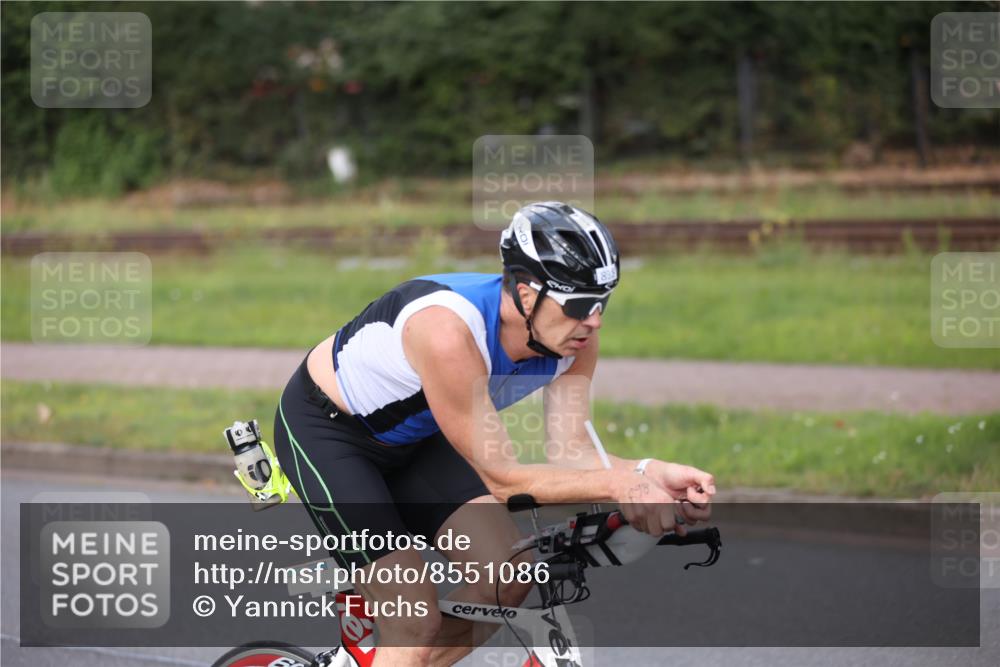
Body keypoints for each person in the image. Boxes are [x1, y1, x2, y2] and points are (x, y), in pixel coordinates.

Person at [272, 201, 716, 666]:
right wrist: (621, 485)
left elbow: (572, 452)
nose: (595, 320)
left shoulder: (572, 340)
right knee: (413, 619)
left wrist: (650, 472)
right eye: (581, 304)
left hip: (416, 438)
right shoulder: (447, 331)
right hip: (329, 436)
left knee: (508, 572)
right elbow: (505, 478)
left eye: (602, 301)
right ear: (526, 295)